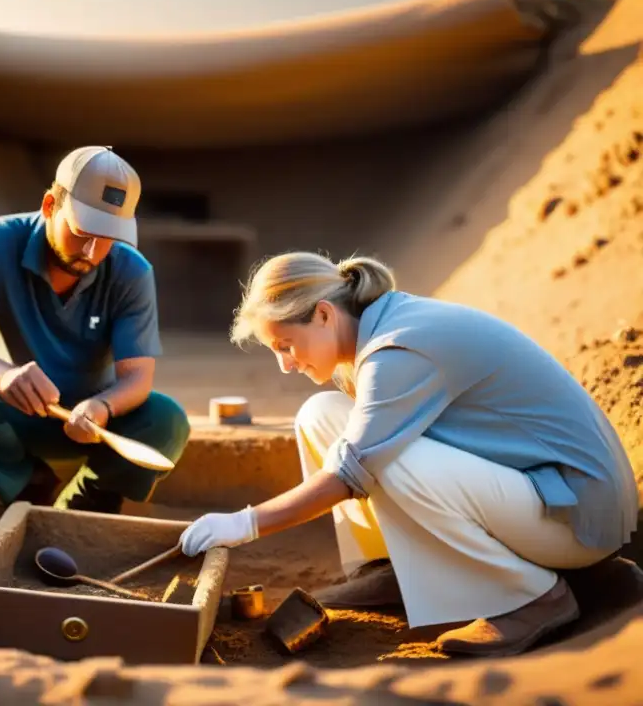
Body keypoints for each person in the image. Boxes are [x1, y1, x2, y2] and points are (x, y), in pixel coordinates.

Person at [177, 250, 637, 657]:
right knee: (322, 414)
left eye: (285, 345)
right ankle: (392, 566)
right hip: (539, 494)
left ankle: (531, 599)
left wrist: (244, 524)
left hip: (576, 517)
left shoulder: (397, 350)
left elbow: (348, 474)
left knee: (385, 460)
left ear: (322, 315)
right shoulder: (385, 324)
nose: (285, 363)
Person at [0, 145, 190, 513]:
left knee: (167, 420)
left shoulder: (132, 271)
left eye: (108, 236)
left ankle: (87, 500)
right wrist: (2, 375)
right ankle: (29, 487)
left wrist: (102, 406)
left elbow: (138, 377)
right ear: (50, 205)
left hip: (94, 424)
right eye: (83, 232)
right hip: (11, 415)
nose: (92, 251)